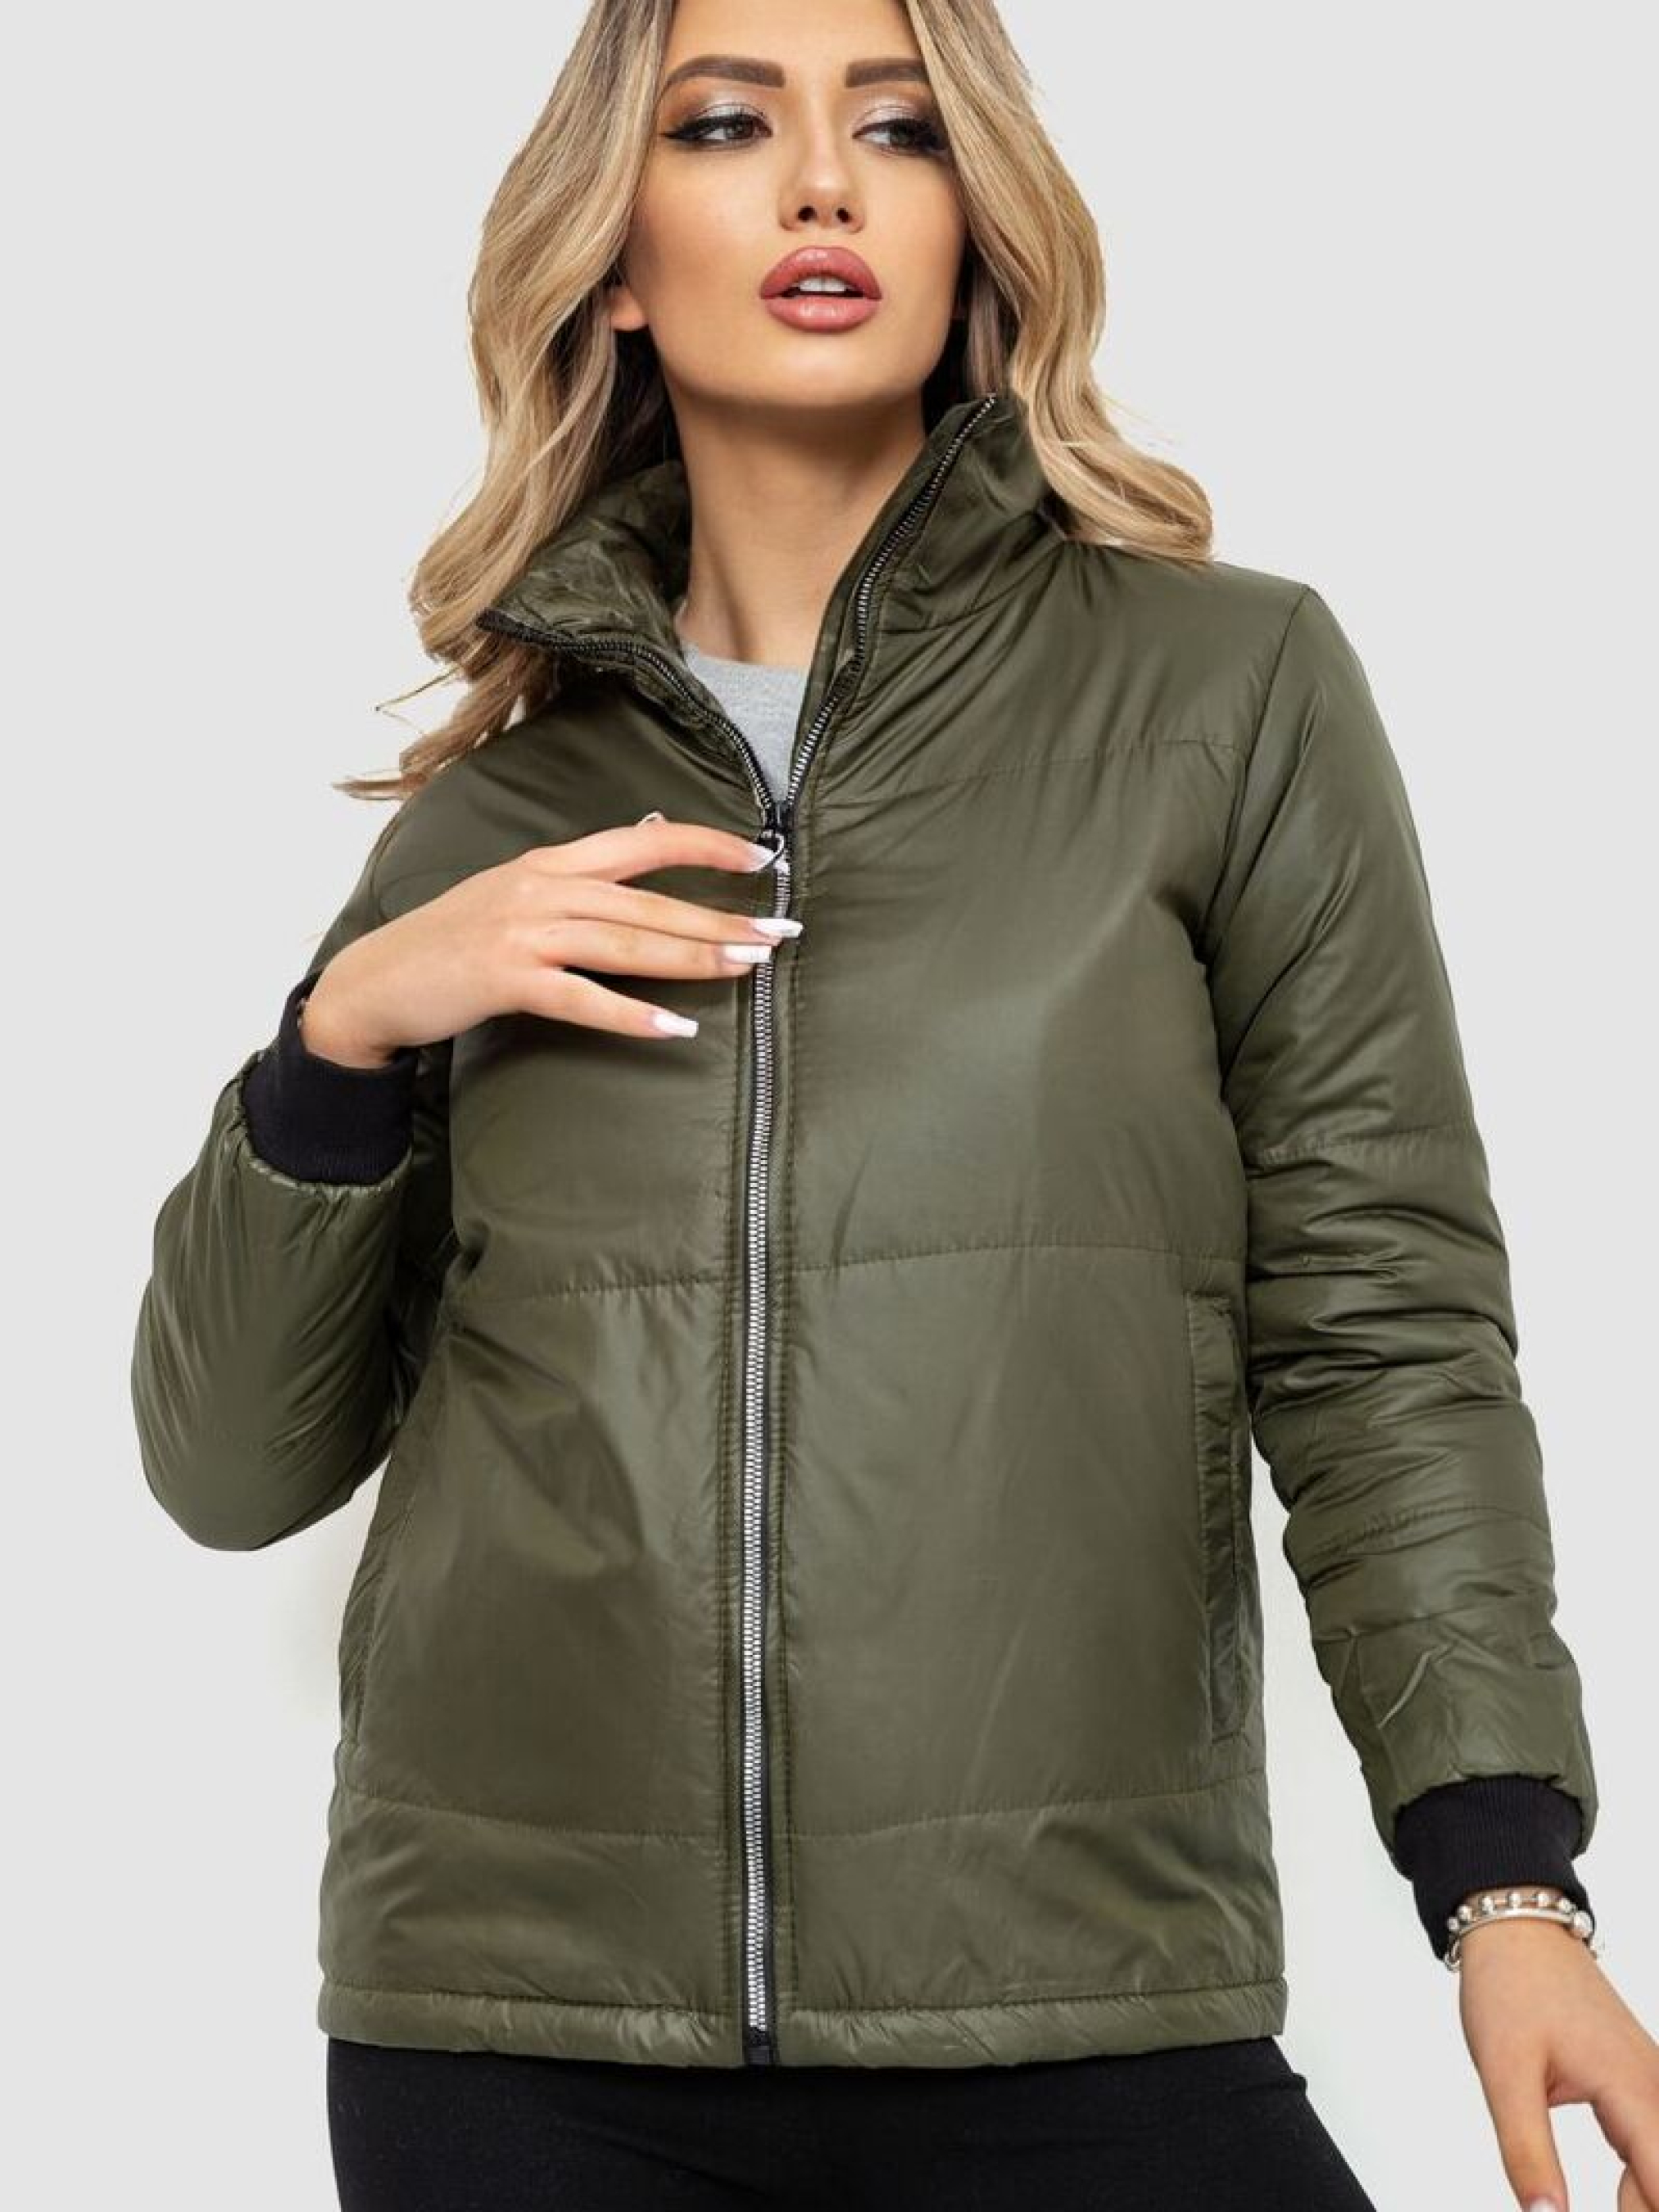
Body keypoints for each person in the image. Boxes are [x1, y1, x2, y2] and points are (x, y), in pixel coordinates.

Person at [130, 2, 1659, 2207]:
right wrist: (342, 1037)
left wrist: (1502, 1881)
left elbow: (1381, 1330)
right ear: (614, 258)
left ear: (977, 227)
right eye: (724, 124)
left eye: (902, 128)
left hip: (1075, 2001)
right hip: (516, 2048)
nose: (823, 183)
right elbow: (228, 1466)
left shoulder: (1227, 699)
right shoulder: (495, 824)